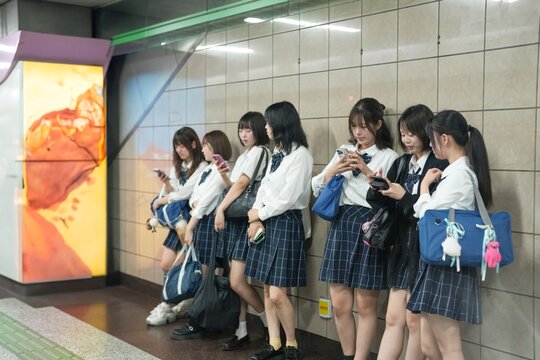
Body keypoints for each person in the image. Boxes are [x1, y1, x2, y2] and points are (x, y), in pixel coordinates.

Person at [312, 98, 397, 360]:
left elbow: (390, 193)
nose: (358, 132)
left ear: (378, 125)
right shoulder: (344, 149)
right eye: (354, 126)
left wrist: (366, 169)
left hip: (371, 226)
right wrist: (334, 170)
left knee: (365, 303)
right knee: (339, 302)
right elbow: (315, 186)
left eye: (364, 126)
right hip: (342, 223)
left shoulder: (390, 156)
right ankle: (348, 355)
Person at [406, 110, 492, 360]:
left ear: (444, 139)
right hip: (442, 261)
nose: (431, 145)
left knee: (449, 347)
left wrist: (423, 188)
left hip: (447, 264)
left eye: (431, 139)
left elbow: (428, 214)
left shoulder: (460, 174)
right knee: (429, 347)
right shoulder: (458, 171)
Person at [366, 105, 447, 360]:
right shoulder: (402, 163)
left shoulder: (438, 165)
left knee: (414, 322)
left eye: (411, 133)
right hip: (402, 248)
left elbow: (433, 211)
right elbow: (382, 203)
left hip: (424, 249)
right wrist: (377, 187)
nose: (406, 139)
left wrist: (403, 196)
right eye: (403, 133)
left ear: (426, 132)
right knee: (392, 318)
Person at [245, 101, 313, 360]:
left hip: (286, 222)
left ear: (281, 124)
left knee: (277, 292)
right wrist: (255, 217)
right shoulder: (278, 152)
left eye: (269, 123)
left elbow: (289, 197)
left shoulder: (301, 155)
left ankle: (292, 344)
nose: (266, 127)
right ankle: (274, 343)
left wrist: (258, 214)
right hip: (267, 220)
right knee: (265, 289)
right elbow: (264, 188)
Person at [214, 112, 270, 351]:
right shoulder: (247, 154)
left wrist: (220, 208)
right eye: (241, 129)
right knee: (239, 280)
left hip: (247, 220)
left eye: (248, 129)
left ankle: (268, 320)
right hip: (239, 220)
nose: (243, 134)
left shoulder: (258, 152)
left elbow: (242, 185)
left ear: (258, 130)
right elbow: (234, 185)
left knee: (236, 281)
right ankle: (242, 328)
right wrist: (225, 173)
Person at [170, 130, 233, 340]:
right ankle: (202, 321)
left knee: (207, 277)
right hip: (202, 223)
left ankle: (199, 322)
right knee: (204, 275)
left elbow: (205, 201)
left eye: (206, 145)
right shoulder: (206, 169)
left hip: (209, 226)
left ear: (215, 148)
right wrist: (195, 206)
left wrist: (190, 226)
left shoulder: (221, 170)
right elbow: (194, 199)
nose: (203, 149)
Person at [146, 127, 206, 326]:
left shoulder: (202, 167)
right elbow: (176, 190)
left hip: (191, 222)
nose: (179, 150)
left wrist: (161, 202)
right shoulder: (178, 166)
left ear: (194, 144)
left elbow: (185, 193)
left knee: (183, 265)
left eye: (183, 145)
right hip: (178, 222)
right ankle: (173, 303)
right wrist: (167, 184)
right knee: (166, 264)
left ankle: (169, 305)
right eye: (176, 146)